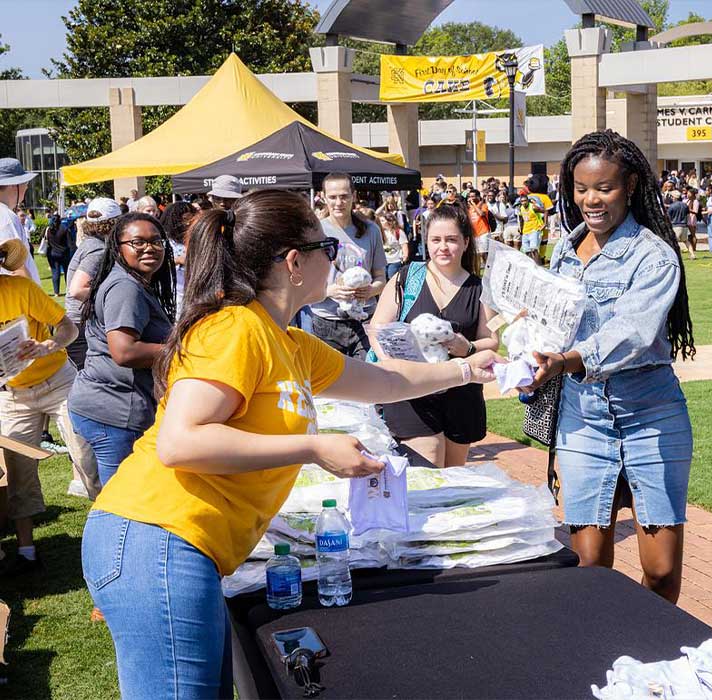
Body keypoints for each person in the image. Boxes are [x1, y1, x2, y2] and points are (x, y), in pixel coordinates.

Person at [80, 190, 499, 697]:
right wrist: (313, 448)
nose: (339, 257)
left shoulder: (289, 343)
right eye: (327, 246)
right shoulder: (234, 328)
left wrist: (463, 369)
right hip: (156, 536)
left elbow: (385, 382)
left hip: (183, 545)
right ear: (295, 262)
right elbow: (180, 443)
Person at [523, 129, 695, 604]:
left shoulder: (654, 256)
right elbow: (551, 321)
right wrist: (527, 346)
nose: (590, 200)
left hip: (652, 416)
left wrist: (568, 360)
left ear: (632, 186)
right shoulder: (563, 251)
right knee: (589, 565)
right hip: (583, 420)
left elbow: (634, 333)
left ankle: (649, 653)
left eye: (604, 188)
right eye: (581, 188)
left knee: (660, 572)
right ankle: (598, 655)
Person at [370, 204, 498, 467]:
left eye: (451, 240)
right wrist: (392, 366)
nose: (443, 247)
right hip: (412, 392)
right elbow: (377, 328)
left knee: (453, 481)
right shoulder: (407, 278)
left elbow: (492, 340)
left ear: (465, 242)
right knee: (428, 471)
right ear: (425, 242)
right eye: (435, 240)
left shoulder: (481, 287)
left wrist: (467, 346)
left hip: (461, 393)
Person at [0, 238, 99, 573]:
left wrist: (47, 346)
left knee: (87, 457)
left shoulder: (22, 289)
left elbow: (68, 327)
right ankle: (26, 552)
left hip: (59, 381)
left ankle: (110, 536)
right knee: (17, 473)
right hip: (12, 395)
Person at [67, 213, 176, 486]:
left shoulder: (134, 282)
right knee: (120, 498)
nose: (149, 248)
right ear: (118, 247)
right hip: (112, 410)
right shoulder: (125, 288)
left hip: (109, 403)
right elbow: (124, 352)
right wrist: (181, 350)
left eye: (156, 241)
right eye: (137, 242)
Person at [308, 172, 387, 359]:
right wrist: (330, 291)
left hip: (365, 321)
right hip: (326, 322)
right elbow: (304, 283)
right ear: (324, 197)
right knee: (330, 386)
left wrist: (370, 291)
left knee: (366, 380)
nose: (338, 202)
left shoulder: (371, 230)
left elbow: (381, 279)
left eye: (344, 196)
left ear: (353, 196)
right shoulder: (315, 231)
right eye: (333, 197)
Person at [65, 198, 123, 370]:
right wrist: (111, 297)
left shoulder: (90, 244)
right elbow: (77, 289)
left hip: (78, 324)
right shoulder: (98, 249)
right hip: (81, 326)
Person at [0, 158, 41, 283]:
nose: (27, 186)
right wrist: (34, 298)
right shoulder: (7, 217)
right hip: (17, 297)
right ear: (13, 185)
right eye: (25, 182)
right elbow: (16, 267)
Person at [159, 201, 195, 317]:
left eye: (191, 219)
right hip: (174, 294)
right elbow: (156, 265)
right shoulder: (164, 242)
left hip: (193, 294)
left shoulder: (194, 239)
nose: (189, 223)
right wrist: (178, 260)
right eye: (185, 219)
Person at [43, 210, 72, 296]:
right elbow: (70, 243)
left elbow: (43, 238)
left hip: (52, 253)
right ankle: (69, 290)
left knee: (55, 272)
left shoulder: (48, 229)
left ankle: (56, 292)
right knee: (67, 272)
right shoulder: (64, 228)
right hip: (64, 253)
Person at [378, 212, 409, 280]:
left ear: (389, 221)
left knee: (391, 277)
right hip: (384, 261)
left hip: (395, 260)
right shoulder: (380, 232)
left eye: (382, 221)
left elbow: (404, 245)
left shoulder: (398, 232)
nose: (380, 222)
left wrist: (405, 257)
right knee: (383, 278)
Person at [466, 188, 492, 267]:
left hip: (483, 232)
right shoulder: (469, 209)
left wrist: (473, 204)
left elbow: (481, 214)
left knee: (484, 253)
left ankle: (488, 268)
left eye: (473, 196)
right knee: (476, 254)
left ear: (478, 197)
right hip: (475, 234)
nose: (471, 198)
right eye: (470, 196)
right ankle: (479, 269)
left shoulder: (484, 206)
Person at [667, 190, 695, 260]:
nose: (671, 198)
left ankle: (676, 256)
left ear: (675, 197)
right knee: (686, 241)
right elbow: (688, 216)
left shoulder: (672, 206)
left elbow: (668, 217)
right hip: (684, 226)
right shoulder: (685, 205)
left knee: (673, 242)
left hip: (675, 226)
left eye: (672, 196)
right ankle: (692, 254)